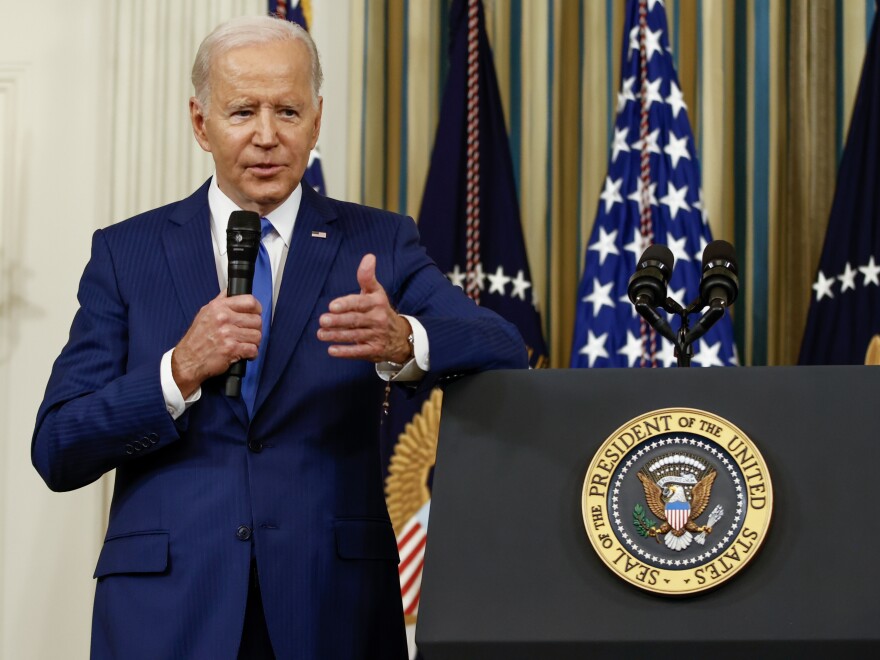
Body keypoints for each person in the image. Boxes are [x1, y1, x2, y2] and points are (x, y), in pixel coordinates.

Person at [32, 15, 527, 660]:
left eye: (288, 112)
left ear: (317, 121)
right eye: (243, 111)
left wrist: (405, 339)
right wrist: (177, 372)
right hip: (168, 613)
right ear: (199, 121)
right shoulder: (127, 253)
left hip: (332, 607)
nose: (267, 136)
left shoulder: (378, 242)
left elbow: (504, 347)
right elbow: (58, 446)